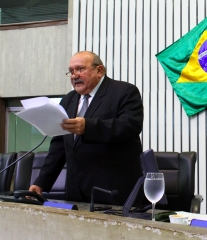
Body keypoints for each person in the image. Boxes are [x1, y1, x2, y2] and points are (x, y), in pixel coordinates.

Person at [29, 51, 144, 206]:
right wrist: (41, 181)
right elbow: (59, 146)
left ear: (99, 70)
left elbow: (130, 126)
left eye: (80, 69)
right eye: (71, 71)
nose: (74, 75)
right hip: (76, 192)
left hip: (113, 192)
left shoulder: (124, 92)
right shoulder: (68, 100)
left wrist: (88, 127)